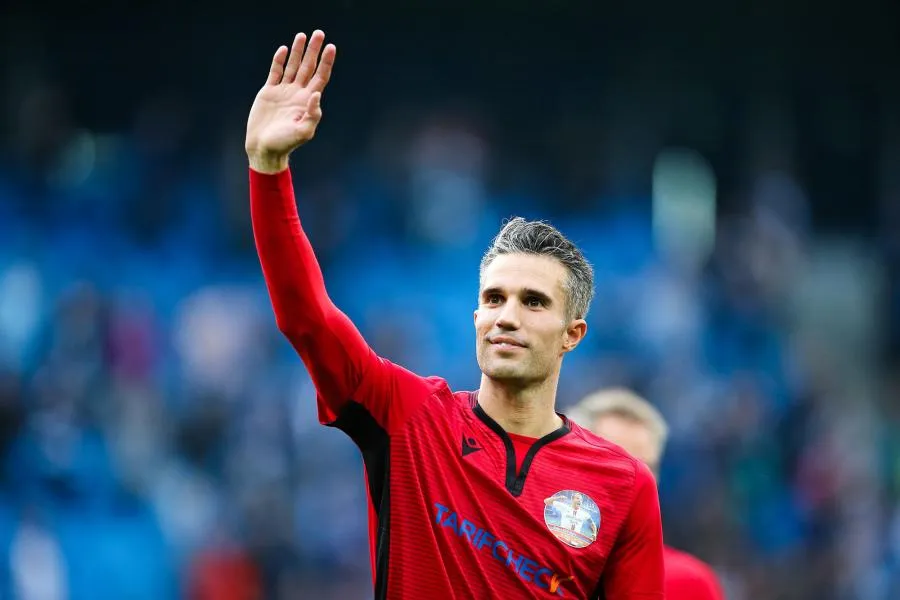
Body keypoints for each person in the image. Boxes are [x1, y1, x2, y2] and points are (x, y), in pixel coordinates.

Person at [244, 29, 664, 599]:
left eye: (533, 301)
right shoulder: (409, 417)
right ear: (475, 317)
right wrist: (268, 168)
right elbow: (307, 319)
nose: (506, 316)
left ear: (573, 334)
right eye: (493, 298)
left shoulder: (624, 486)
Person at [568, 388, 726, 600]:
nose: (635, 484)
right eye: (615, 466)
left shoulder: (689, 585)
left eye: (646, 469)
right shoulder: (537, 562)